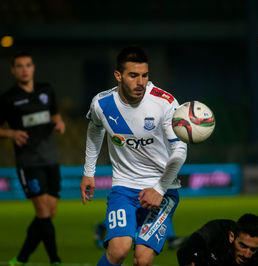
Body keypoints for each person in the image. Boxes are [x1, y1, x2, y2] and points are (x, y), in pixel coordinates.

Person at [80, 46, 187, 266]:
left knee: (142, 260)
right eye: (133, 75)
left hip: (163, 190)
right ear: (118, 76)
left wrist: (159, 190)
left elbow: (179, 150)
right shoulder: (102, 104)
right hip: (124, 187)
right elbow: (94, 129)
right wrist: (88, 172)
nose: (140, 82)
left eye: (145, 75)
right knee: (118, 251)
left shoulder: (164, 102)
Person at [0, 51, 65, 266]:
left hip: (50, 158)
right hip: (28, 161)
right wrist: (11, 133)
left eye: (28, 65)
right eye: (19, 66)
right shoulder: (7, 98)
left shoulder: (46, 90)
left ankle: (20, 259)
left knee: (48, 213)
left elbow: (55, 114)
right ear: (13, 70)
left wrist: (59, 123)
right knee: (42, 212)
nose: (24, 69)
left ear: (33, 68)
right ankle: (55, 260)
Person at [177, 213, 258, 266]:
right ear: (231, 237)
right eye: (243, 246)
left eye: (253, 249)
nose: (247, 255)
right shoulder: (216, 231)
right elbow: (185, 250)